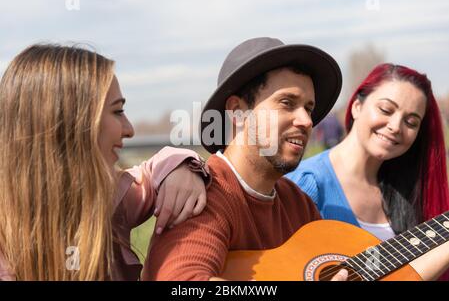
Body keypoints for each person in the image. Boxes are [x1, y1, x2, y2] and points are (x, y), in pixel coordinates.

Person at [143, 37, 349, 281]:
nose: (306, 121)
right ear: (238, 112)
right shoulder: (202, 194)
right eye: (287, 103)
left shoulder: (299, 204)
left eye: (309, 108)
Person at [0, 44, 210, 281]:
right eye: (117, 111)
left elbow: (154, 170)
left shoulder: (112, 197)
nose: (130, 130)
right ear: (71, 122)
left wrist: (183, 166)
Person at [286, 63, 449, 280]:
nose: (395, 126)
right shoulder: (305, 185)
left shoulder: (406, 192)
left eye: (411, 122)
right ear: (356, 107)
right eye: (386, 110)